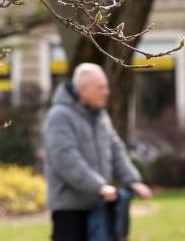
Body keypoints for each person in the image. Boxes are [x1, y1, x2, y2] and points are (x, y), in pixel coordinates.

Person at [43, 63, 153, 241]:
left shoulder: (100, 115)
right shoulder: (60, 116)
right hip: (70, 210)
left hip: (99, 204)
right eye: (101, 87)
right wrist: (98, 186)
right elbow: (65, 157)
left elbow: (115, 148)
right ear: (83, 89)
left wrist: (132, 181)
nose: (107, 92)